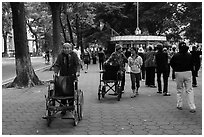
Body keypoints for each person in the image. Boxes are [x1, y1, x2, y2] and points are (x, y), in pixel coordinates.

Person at [53, 42, 80, 115]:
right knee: (62, 90)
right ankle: (63, 107)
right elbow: (57, 64)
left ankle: (71, 106)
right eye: (65, 48)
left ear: (71, 49)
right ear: (63, 49)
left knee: (71, 91)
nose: (66, 49)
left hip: (72, 75)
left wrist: (77, 72)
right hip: (63, 75)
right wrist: (56, 72)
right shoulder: (60, 56)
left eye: (68, 48)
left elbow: (77, 64)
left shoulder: (74, 55)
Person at [170, 42, 196, 113]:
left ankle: (179, 104)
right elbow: (193, 63)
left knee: (179, 89)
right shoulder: (189, 55)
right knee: (189, 90)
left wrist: (175, 69)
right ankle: (192, 106)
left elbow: (171, 63)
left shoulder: (176, 55)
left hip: (178, 72)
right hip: (188, 72)